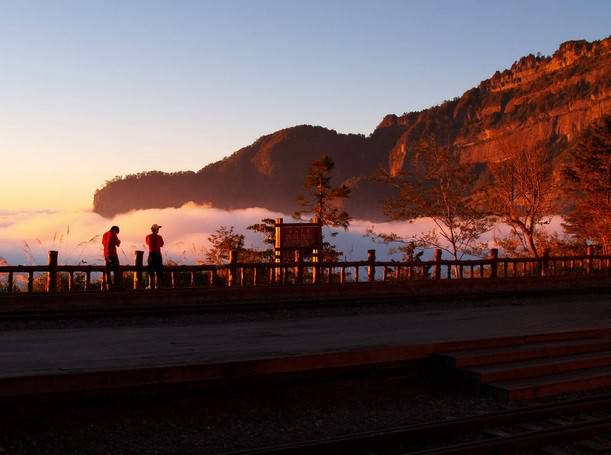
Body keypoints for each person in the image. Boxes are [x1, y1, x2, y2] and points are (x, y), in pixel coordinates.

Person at [102, 225, 122, 290]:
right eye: (117, 232)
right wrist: (119, 241)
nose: (116, 234)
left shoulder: (104, 234)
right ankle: (117, 286)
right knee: (116, 270)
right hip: (113, 254)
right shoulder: (113, 234)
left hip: (106, 254)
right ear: (115, 230)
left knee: (108, 270)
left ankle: (109, 286)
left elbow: (103, 243)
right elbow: (118, 244)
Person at [146, 224, 165, 289]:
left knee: (151, 270)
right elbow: (162, 245)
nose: (158, 230)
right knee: (158, 270)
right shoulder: (159, 237)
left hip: (151, 254)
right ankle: (158, 285)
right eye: (158, 229)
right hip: (158, 255)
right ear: (156, 230)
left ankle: (151, 285)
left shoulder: (148, 236)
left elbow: (147, 243)